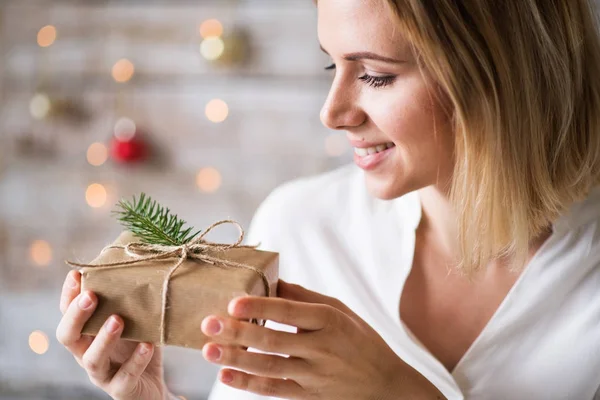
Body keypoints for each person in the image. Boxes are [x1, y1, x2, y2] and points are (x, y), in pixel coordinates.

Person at [56, 0, 600, 398]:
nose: (333, 112)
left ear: (497, 75)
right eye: (331, 66)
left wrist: (400, 392)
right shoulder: (300, 226)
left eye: (376, 76)